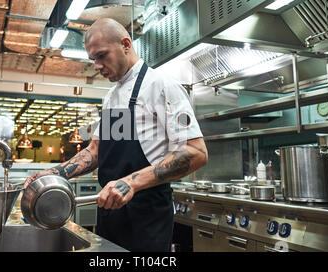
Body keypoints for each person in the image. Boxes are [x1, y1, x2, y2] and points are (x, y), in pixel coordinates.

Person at [23, 18, 208, 252]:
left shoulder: (161, 86)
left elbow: (196, 152)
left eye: (101, 55)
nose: (97, 66)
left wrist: (130, 183)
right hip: (109, 213)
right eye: (93, 59)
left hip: (146, 217)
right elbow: (96, 151)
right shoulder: (111, 96)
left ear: (126, 44)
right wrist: (53, 174)